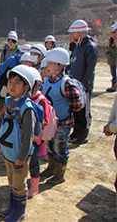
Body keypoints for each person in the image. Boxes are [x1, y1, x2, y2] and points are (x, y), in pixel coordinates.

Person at [0, 65, 37, 222]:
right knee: (12, 181)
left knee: (19, 184)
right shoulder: (8, 102)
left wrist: (22, 156)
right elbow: (2, 123)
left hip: (19, 155)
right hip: (8, 152)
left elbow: (28, 136)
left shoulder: (27, 108)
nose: (11, 85)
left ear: (26, 87)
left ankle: (19, 212)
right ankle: (12, 207)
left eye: (17, 83)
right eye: (10, 82)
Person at [41, 48, 84, 184]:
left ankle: (60, 174)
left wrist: (65, 113)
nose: (47, 66)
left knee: (60, 147)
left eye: (50, 64)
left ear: (60, 66)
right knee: (49, 145)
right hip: (49, 122)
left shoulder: (66, 83)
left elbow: (77, 104)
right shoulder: (47, 80)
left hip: (63, 122)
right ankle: (51, 168)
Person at [68, 19, 98, 145]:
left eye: (72, 34)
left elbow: (90, 69)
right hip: (75, 85)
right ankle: (76, 132)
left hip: (84, 87)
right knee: (77, 111)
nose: (71, 36)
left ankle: (84, 135)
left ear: (80, 33)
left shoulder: (90, 47)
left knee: (85, 112)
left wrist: (84, 85)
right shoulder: (77, 47)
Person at [28, 68, 52, 197]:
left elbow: (45, 120)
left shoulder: (41, 100)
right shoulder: (22, 98)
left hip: (34, 138)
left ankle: (34, 185)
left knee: (33, 162)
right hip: (23, 137)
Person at [105, 24, 117, 92]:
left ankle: (114, 86)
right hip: (112, 60)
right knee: (113, 74)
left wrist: (108, 46)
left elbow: (115, 50)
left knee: (114, 74)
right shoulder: (112, 41)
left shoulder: (115, 41)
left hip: (114, 60)